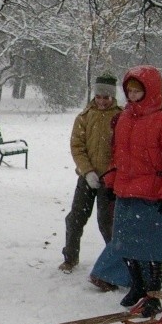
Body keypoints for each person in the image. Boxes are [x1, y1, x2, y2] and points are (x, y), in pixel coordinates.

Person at [101, 65, 162, 316]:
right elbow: (117, 155)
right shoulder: (123, 118)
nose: (133, 95)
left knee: (151, 246)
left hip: (151, 194)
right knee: (124, 242)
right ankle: (137, 283)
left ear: (151, 91)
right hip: (125, 191)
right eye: (129, 91)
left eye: (138, 91)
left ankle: (153, 291)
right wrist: (111, 184)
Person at [59, 73, 122, 276]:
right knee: (75, 218)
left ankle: (115, 262)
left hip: (111, 182)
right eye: (99, 96)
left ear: (113, 97)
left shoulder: (121, 117)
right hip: (87, 178)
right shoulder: (84, 117)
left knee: (107, 223)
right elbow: (77, 146)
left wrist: (111, 173)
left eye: (106, 97)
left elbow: (123, 150)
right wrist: (87, 171)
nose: (102, 101)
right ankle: (70, 258)